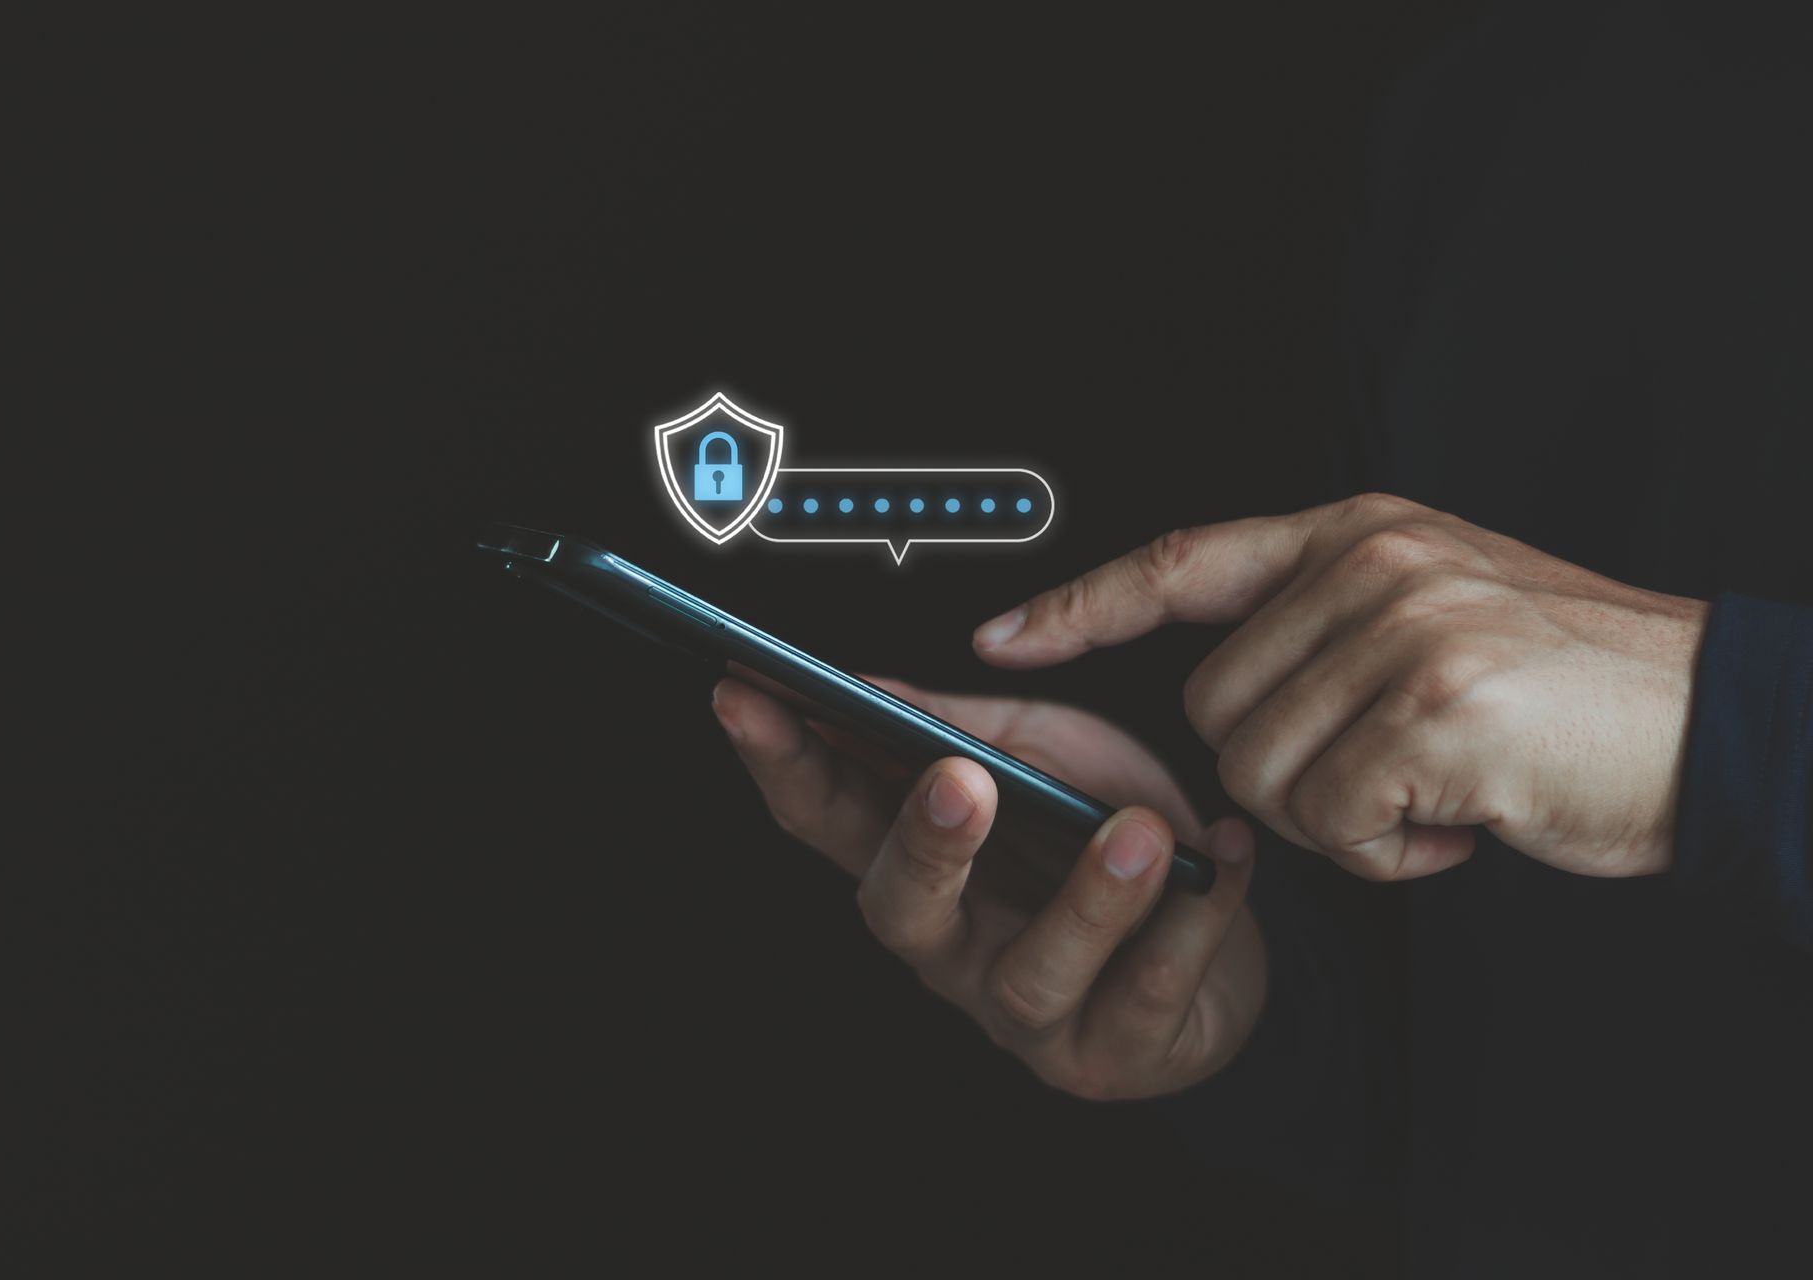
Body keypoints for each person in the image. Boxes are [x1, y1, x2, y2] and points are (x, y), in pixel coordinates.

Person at [712, 4, 1811, 1275]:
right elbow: (1505, 1089)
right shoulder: (1491, 119)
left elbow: (1707, 748)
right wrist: (1240, 1000)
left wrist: (1728, 731)